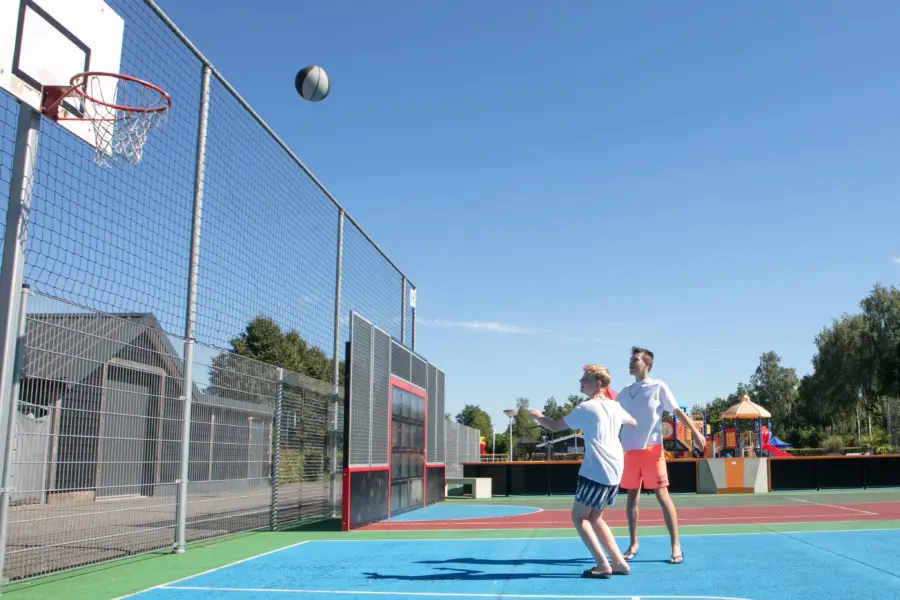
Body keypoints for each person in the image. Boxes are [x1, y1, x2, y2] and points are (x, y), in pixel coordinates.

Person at [528, 364, 637, 579]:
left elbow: (555, 426)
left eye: (585, 378)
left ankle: (602, 564)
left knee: (579, 517)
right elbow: (633, 422)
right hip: (615, 468)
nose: (580, 381)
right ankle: (618, 562)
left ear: (598, 383)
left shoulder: (586, 407)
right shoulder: (615, 406)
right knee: (595, 516)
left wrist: (538, 416)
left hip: (597, 468)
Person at [616, 347, 705, 565]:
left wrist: (695, 432)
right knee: (631, 499)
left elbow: (677, 411)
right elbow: (613, 417)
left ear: (647, 364)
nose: (630, 362)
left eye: (635, 359)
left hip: (652, 450)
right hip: (629, 452)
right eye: (630, 359)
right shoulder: (625, 391)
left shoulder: (658, 386)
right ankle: (633, 543)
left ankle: (676, 545)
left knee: (662, 496)